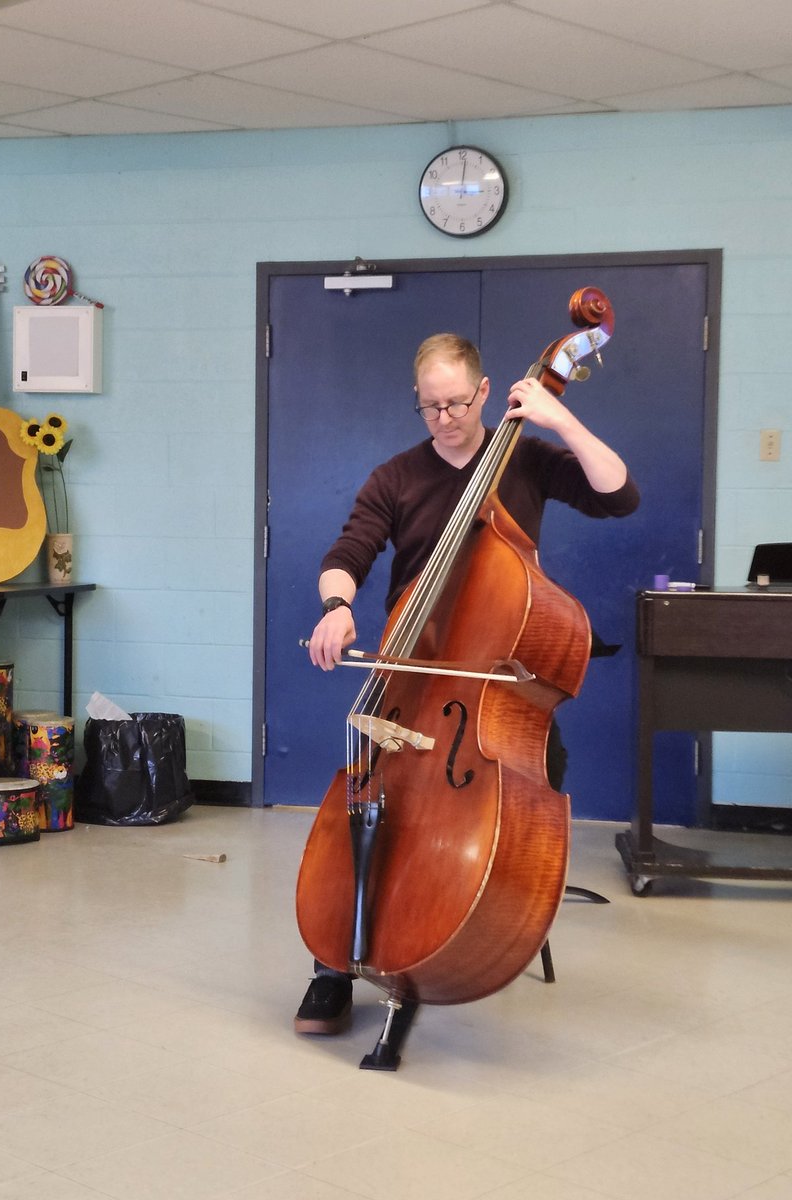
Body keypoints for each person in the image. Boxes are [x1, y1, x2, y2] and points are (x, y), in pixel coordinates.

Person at [294, 332, 639, 1035]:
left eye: (456, 403)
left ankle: (480, 927)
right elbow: (347, 554)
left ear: (485, 392)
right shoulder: (395, 477)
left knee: (535, 780)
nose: (444, 418)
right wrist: (336, 607)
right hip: (414, 672)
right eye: (430, 407)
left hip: (492, 686)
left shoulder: (527, 459)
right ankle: (333, 964)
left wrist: (560, 419)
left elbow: (620, 496)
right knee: (370, 799)